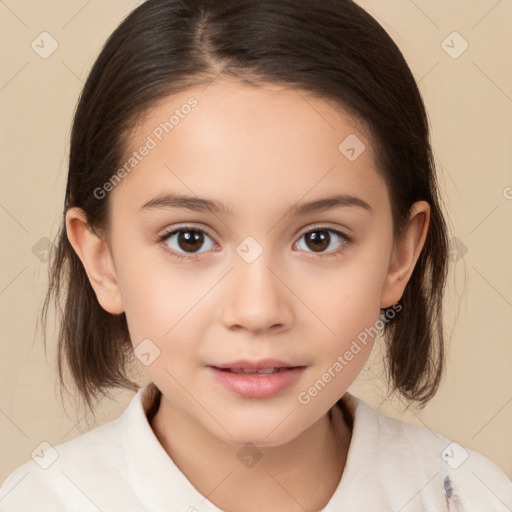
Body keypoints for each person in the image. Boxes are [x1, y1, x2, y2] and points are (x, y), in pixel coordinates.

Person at [1, 0, 510, 510]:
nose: (257, 310)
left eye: (319, 239)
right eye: (190, 239)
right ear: (102, 259)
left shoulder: (473, 497)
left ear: (400, 253)